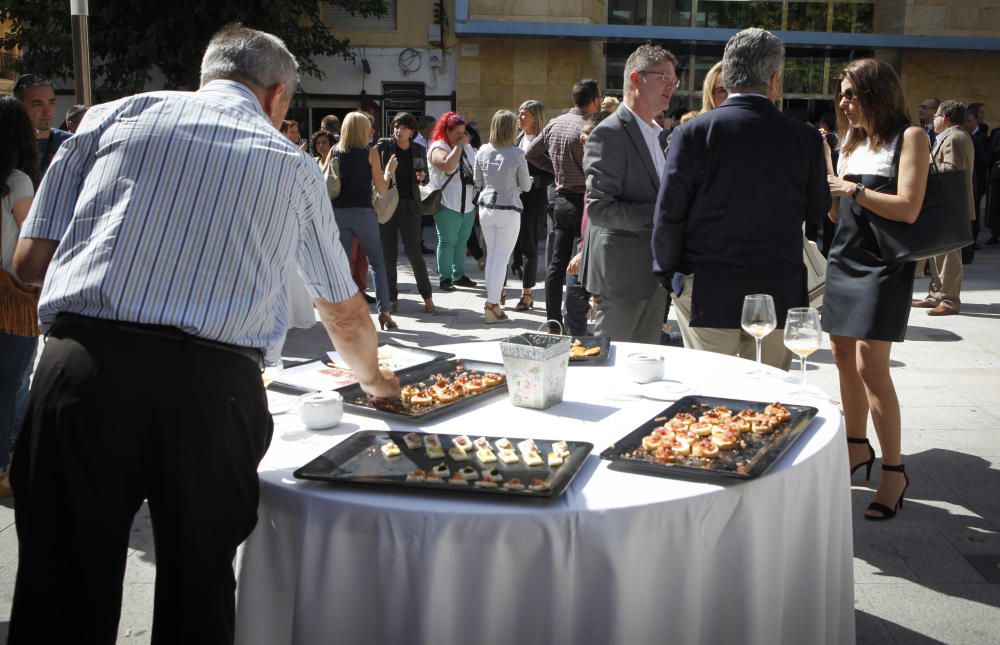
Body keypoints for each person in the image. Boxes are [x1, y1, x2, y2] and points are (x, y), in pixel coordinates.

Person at [8, 25, 399, 643]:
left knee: (59, 593)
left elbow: (29, 264)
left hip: (84, 370)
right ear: (276, 97)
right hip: (212, 389)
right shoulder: (289, 165)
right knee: (199, 595)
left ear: (208, 75)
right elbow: (344, 312)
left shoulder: (111, 116)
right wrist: (376, 382)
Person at [653, 28, 829, 364]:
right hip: (778, 287)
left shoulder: (693, 133)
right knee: (768, 399)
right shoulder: (803, 137)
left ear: (729, 76)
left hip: (708, 287)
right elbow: (817, 208)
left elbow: (669, 213)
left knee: (711, 394)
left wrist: (669, 275)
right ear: (774, 80)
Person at [823, 58, 929, 521]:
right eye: (842, 94)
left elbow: (908, 208)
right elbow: (834, 217)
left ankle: (893, 470)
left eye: (852, 93)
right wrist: (829, 182)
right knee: (842, 352)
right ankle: (854, 447)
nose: (844, 102)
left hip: (884, 264)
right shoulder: (851, 142)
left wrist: (852, 190)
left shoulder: (911, 137)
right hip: (845, 256)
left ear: (877, 93)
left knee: (872, 363)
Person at [581, 45, 673, 344]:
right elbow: (600, 209)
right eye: (663, 78)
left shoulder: (656, 134)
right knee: (610, 373)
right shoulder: (610, 133)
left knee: (641, 373)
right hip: (621, 280)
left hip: (653, 278)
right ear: (636, 78)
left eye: (674, 81)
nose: (670, 87)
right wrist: (662, 216)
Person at [527, 79, 602, 332]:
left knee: (557, 263)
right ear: (595, 100)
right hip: (585, 200)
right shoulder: (590, 127)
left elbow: (531, 153)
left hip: (561, 198)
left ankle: (553, 321)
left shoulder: (555, 124)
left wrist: (555, 170)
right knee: (582, 261)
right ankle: (576, 321)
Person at [0, 97, 40, 500]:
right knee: (10, 383)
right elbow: (28, 241)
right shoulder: (17, 181)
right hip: (11, 296)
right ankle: (4, 468)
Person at [331, 111, 399, 330]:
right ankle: (384, 313)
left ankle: (343, 314)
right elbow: (381, 188)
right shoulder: (370, 153)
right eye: (368, 127)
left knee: (341, 264)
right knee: (377, 263)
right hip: (363, 213)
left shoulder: (335, 151)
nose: (371, 130)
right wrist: (389, 172)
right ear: (361, 129)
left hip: (339, 213)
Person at [911, 100, 975, 317]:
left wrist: (922, 163)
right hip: (943, 204)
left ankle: (948, 300)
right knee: (938, 253)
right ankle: (936, 295)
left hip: (950, 204)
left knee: (949, 255)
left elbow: (951, 171)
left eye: (937, 115)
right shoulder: (950, 137)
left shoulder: (955, 137)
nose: (934, 119)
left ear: (945, 118)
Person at [374, 112, 436, 313]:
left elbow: (424, 180)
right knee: (388, 253)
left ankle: (427, 296)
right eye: (395, 127)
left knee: (414, 253)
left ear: (411, 131)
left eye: (403, 127)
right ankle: (391, 297)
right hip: (387, 204)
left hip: (409, 205)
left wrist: (422, 177)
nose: (398, 131)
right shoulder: (384, 147)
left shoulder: (418, 149)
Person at [474, 110, 531, 323]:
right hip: (508, 208)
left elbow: (477, 181)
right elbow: (525, 185)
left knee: (493, 256)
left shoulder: (482, 150)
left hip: (486, 206)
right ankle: (492, 303)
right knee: (501, 258)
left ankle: (493, 302)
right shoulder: (516, 154)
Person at [427, 111, 478, 291]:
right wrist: (459, 146)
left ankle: (459, 275)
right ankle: (445, 278)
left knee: (462, 242)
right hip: (447, 203)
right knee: (447, 242)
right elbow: (448, 165)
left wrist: (465, 146)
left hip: (468, 203)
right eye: (457, 133)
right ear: (446, 131)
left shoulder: (466, 145)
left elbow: (476, 167)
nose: (461, 136)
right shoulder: (438, 147)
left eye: (463, 132)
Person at [510, 99, 551, 311]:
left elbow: (552, 173)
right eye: (519, 113)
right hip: (514, 200)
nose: (519, 117)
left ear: (535, 118)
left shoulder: (545, 142)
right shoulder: (517, 139)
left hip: (534, 200)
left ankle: (527, 294)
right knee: (513, 246)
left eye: (524, 114)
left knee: (529, 246)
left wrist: (532, 183)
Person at [13, 74, 72, 176]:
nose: (47, 111)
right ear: (19, 106)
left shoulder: (70, 144)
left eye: (51, 102)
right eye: (37, 104)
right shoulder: (7, 146)